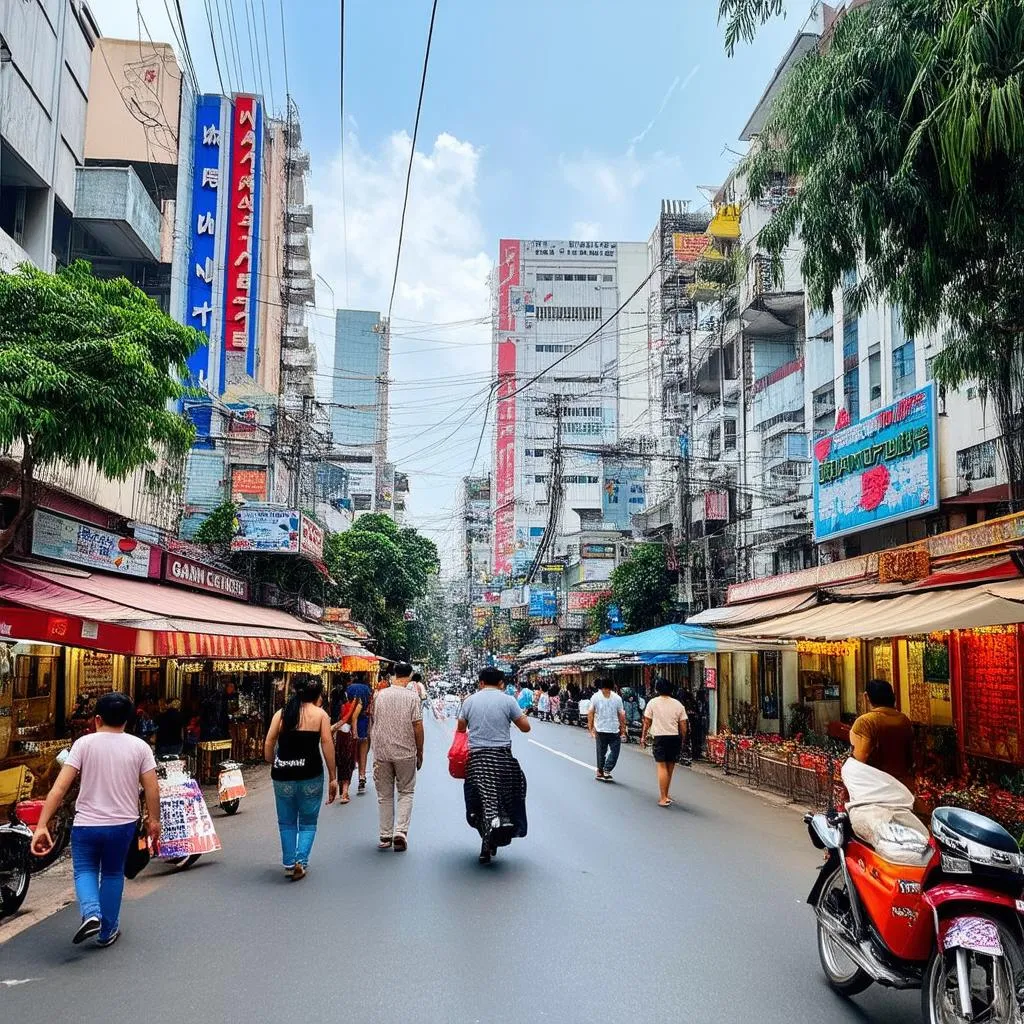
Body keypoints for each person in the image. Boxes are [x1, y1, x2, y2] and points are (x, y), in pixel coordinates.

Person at [30, 691, 160, 948]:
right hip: (123, 824)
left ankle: (91, 913)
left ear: (97, 719)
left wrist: (42, 824)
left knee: (86, 869)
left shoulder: (83, 744)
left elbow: (59, 788)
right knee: (112, 873)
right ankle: (107, 931)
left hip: (87, 824)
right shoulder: (140, 747)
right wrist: (153, 820)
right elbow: (152, 788)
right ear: (128, 720)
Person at [263, 676, 338, 880]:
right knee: (308, 822)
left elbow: (269, 742)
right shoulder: (321, 715)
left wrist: (273, 762)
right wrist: (333, 777)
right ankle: (300, 861)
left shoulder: (282, 713)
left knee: (286, 822)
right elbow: (327, 745)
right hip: (310, 775)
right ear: (318, 695)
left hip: (282, 776)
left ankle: (288, 862)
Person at [457, 667, 530, 864]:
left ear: (480, 682)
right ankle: (494, 836)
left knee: (479, 801)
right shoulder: (508, 701)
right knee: (508, 796)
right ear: (501, 684)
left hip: (477, 761)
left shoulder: (469, 701)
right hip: (502, 760)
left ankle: (486, 839)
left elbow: (461, 728)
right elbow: (525, 727)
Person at [369, 662, 423, 852]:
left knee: (384, 795)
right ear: (409, 676)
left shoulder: (379, 695)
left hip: (382, 752)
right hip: (406, 752)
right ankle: (400, 831)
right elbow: (417, 726)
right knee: (406, 791)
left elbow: (373, 720)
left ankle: (385, 835)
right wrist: (420, 751)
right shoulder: (412, 697)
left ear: (393, 675)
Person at [851, 678, 915, 791]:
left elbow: (860, 759)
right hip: (903, 784)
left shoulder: (866, 721)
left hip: (877, 786)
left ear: (866, 697)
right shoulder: (904, 720)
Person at [640, 678, 689, 806]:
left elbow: (647, 722)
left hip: (660, 737)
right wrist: (683, 739)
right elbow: (683, 725)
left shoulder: (652, 703)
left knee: (661, 766)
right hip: (674, 737)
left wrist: (643, 736)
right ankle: (666, 794)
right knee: (670, 767)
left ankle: (663, 798)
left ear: (657, 689)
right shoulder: (678, 704)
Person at [588, 678, 627, 782]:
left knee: (615, 752)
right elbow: (590, 713)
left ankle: (606, 769)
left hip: (614, 729)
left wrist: (623, 729)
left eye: (607, 688)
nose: (606, 691)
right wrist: (591, 728)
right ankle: (600, 771)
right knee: (601, 752)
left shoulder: (617, 698)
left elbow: (621, 714)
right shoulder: (595, 697)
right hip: (601, 728)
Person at [330, 684, 359, 804]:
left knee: (341, 762)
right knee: (348, 764)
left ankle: (342, 791)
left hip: (340, 736)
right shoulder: (356, 706)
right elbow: (353, 722)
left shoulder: (343, 706)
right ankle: (345, 792)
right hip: (349, 737)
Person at [346, 673, 373, 795]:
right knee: (363, 751)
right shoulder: (367, 689)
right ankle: (362, 776)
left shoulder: (349, 689)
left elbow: (347, 706)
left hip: (348, 723)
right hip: (364, 722)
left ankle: (345, 784)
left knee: (349, 753)